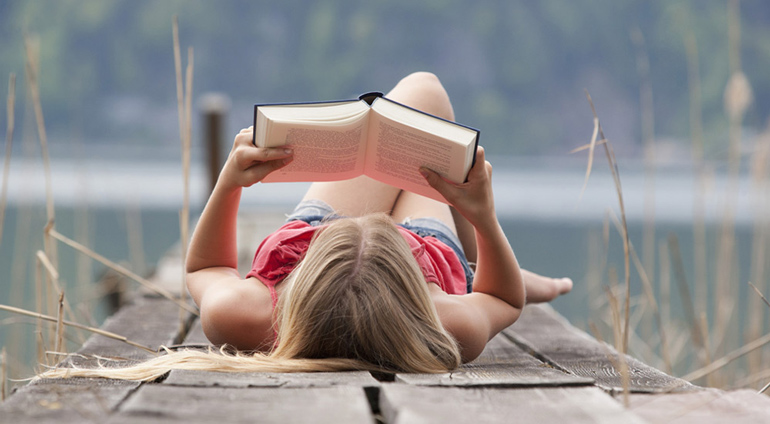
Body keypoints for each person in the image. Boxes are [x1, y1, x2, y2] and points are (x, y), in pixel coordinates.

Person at [41, 72, 571, 381]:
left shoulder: (247, 315)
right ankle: (481, 258)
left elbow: (205, 265)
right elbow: (502, 300)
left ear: (299, 272)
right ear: (418, 289)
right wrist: (482, 215)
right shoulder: (441, 318)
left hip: (367, 262)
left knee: (418, 107)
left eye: (327, 231)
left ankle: (472, 253)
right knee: (424, 93)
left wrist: (229, 183)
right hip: (430, 252)